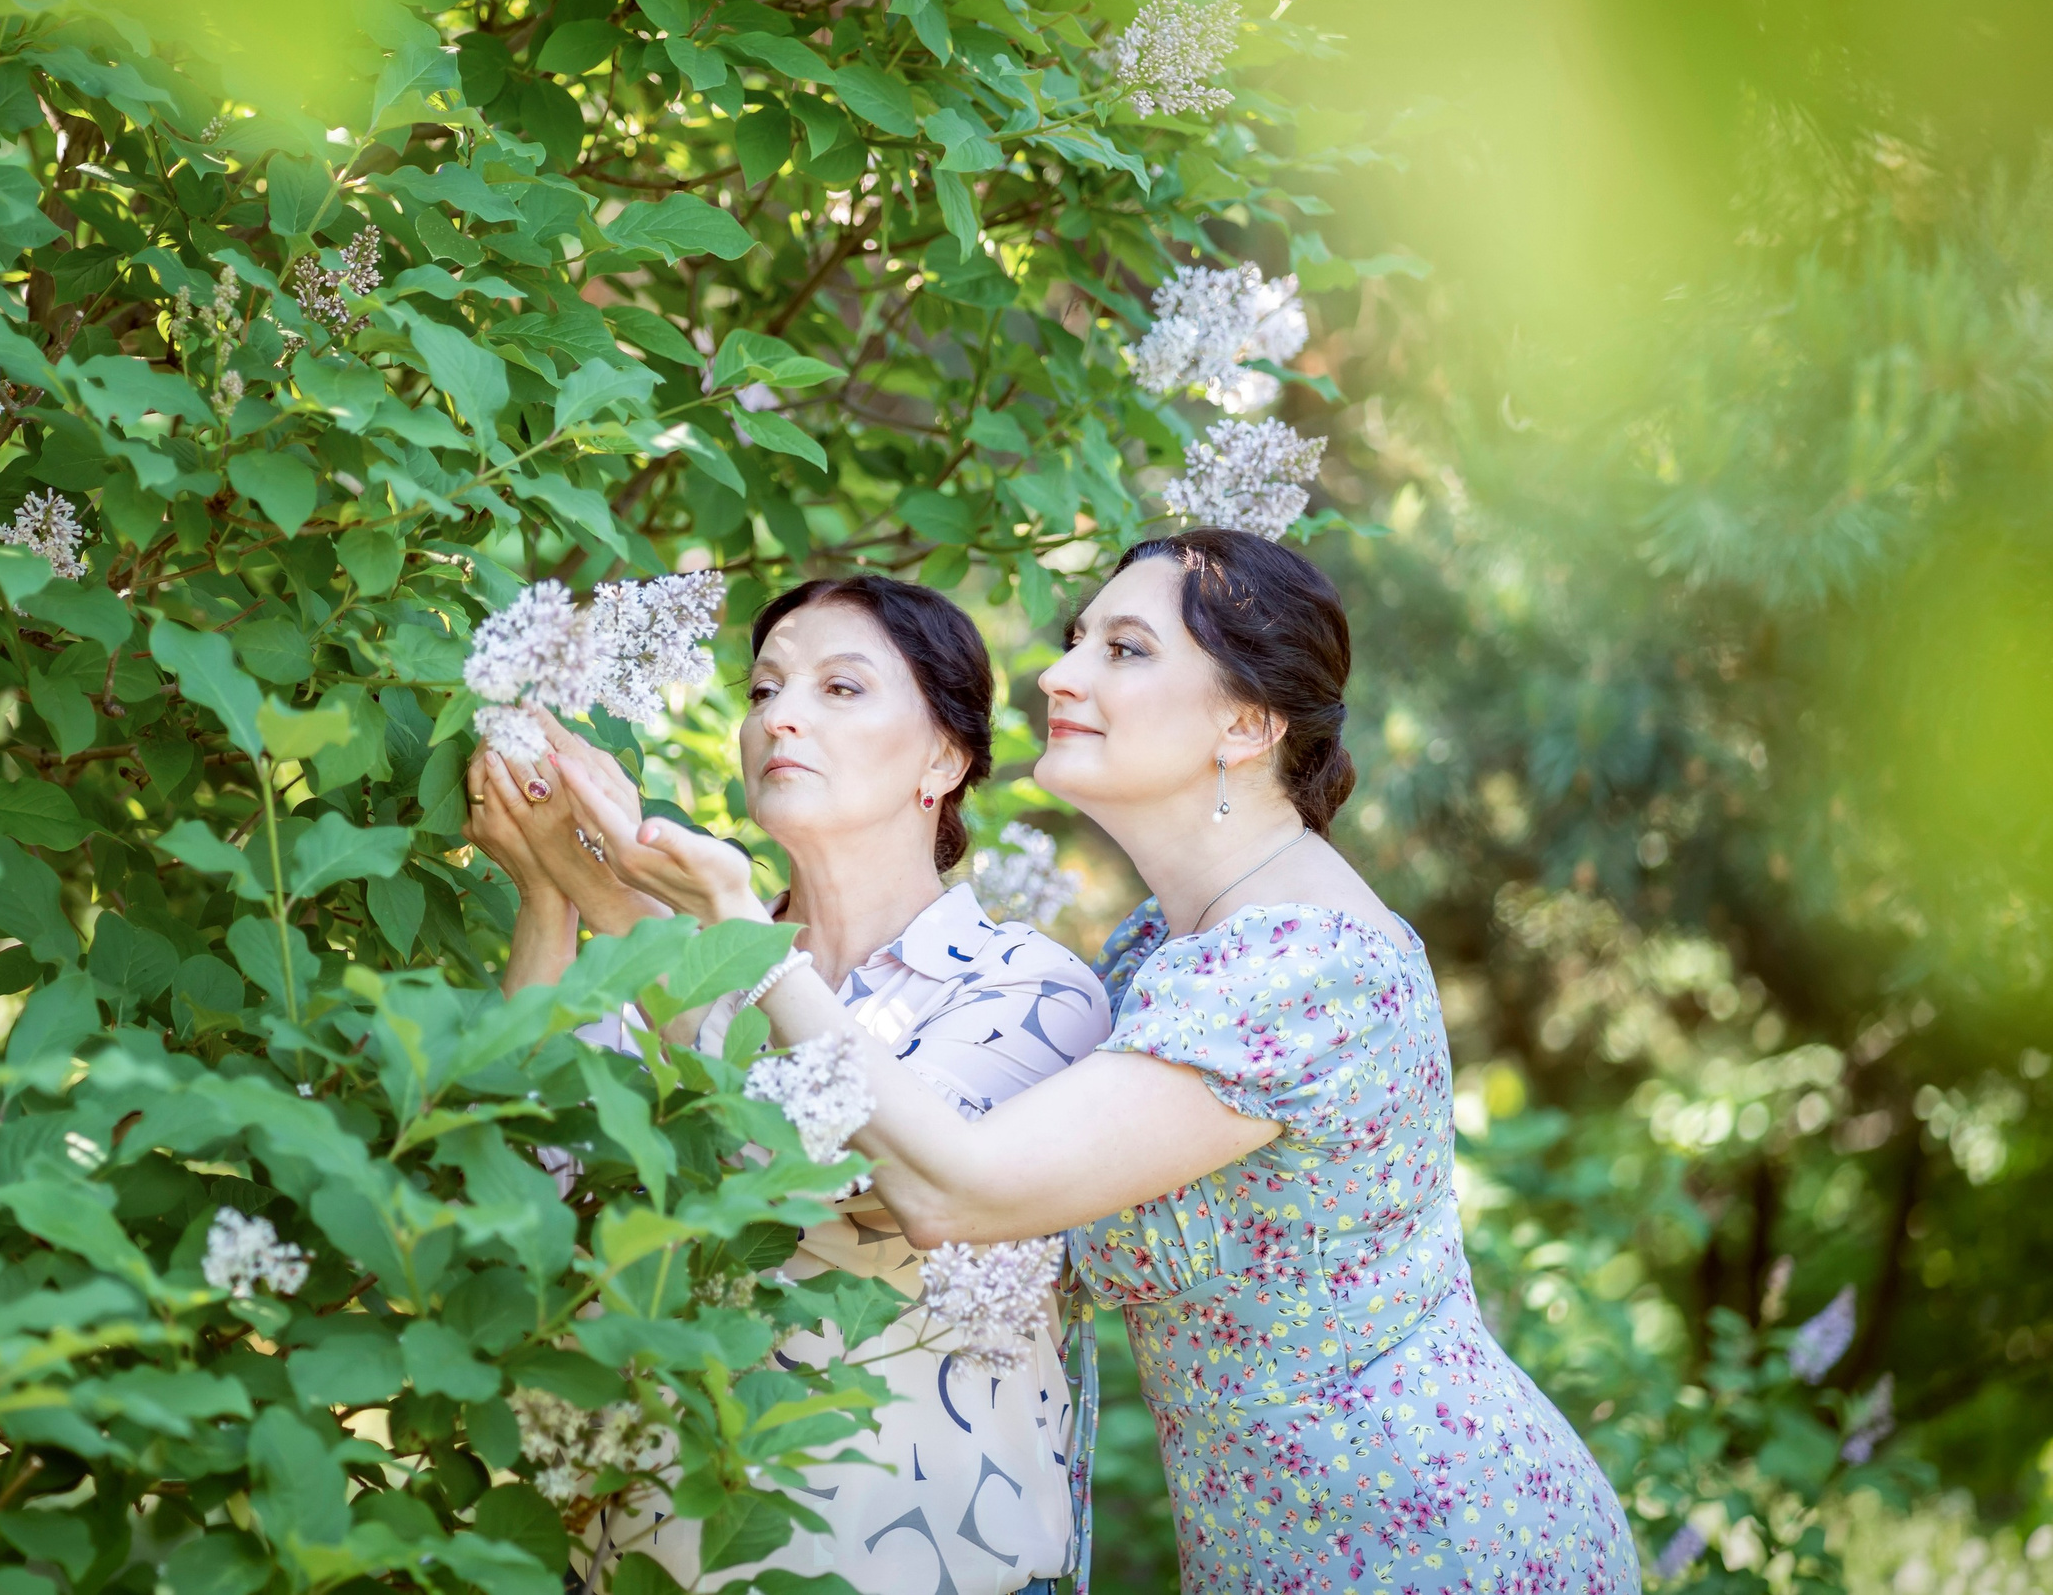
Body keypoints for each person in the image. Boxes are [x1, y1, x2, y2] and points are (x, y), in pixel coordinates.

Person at [553, 531, 1641, 1594]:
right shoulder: (1162, 950)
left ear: (1247, 721)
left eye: (1123, 649)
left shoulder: (1304, 965)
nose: (1060, 672)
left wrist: (737, 926)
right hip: (1272, 1540)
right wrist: (605, 900)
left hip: (1438, 1538)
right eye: (1075, 639)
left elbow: (947, 1184)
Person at [463, 573, 1109, 1595]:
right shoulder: (660, 956)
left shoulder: (1030, 990)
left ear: (943, 756)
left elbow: (830, 1174)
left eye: (840, 688)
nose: (782, 716)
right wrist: (550, 899)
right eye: (763, 690)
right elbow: (507, 1216)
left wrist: (635, 912)